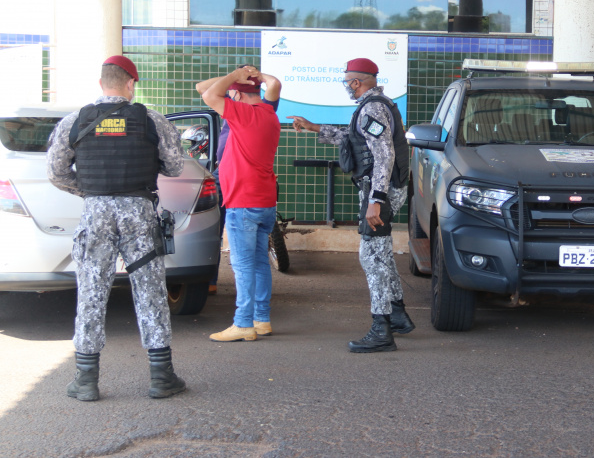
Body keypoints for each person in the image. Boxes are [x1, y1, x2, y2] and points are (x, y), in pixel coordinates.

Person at [47, 55, 187, 401]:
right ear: (131, 84)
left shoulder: (75, 121)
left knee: (92, 292)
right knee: (150, 291)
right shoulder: (152, 120)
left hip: (96, 213)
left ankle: (86, 380)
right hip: (138, 212)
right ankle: (161, 376)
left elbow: (56, 172)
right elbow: (174, 166)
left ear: (101, 84)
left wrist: (92, 192)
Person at [287, 58, 413, 353]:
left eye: (347, 82)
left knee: (372, 258)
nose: (346, 86)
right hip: (380, 190)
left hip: (379, 193)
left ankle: (381, 329)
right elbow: (356, 140)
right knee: (380, 254)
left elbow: (384, 156)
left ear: (357, 82)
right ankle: (397, 315)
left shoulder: (373, 107)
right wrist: (314, 127)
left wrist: (377, 201)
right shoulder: (377, 105)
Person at [200, 65, 281, 342]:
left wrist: (236, 77)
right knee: (259, 262)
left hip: (243, 202)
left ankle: (243, 323)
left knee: (243, 265)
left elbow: (208, 95)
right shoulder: (269, 114)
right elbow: (205, 89)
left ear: (236, 95)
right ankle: (261, 319)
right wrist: (251, 77)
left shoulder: (243, 114)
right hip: (263, 200)